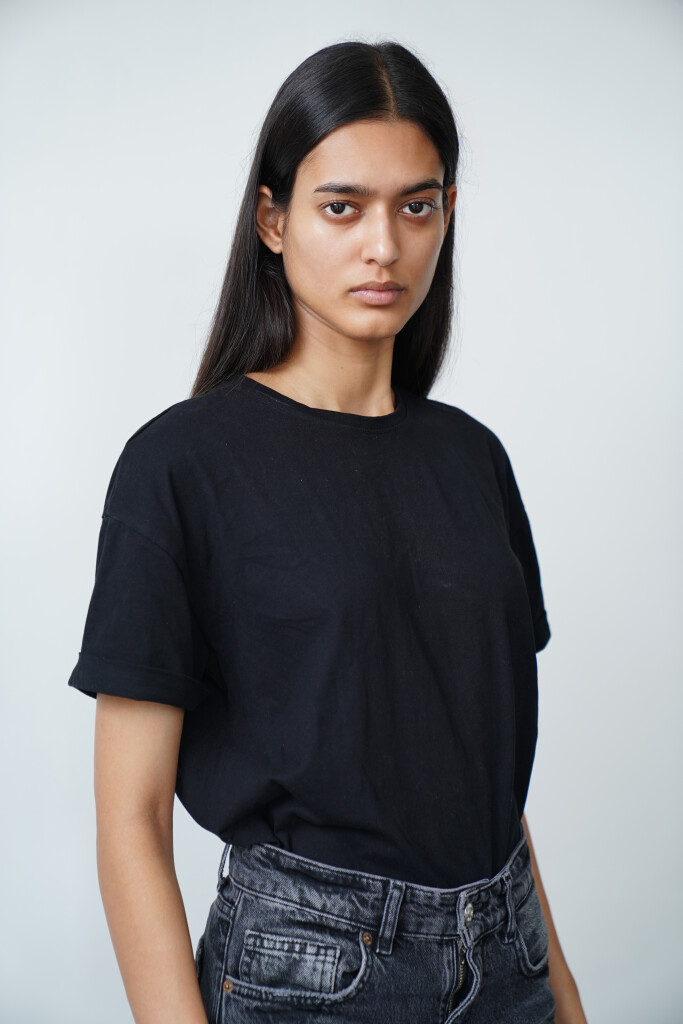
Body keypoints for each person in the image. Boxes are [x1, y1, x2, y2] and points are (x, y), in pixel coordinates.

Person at [68, 39, 588, 1024]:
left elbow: (476, 775)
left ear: (446, 214)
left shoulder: (471, 458)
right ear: (272, 219)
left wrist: (561, 996)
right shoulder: (181, 465)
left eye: (416, 206)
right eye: (341, 207)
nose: (382, 246)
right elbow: (129, 822)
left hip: (504, 947)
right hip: (308, 971)